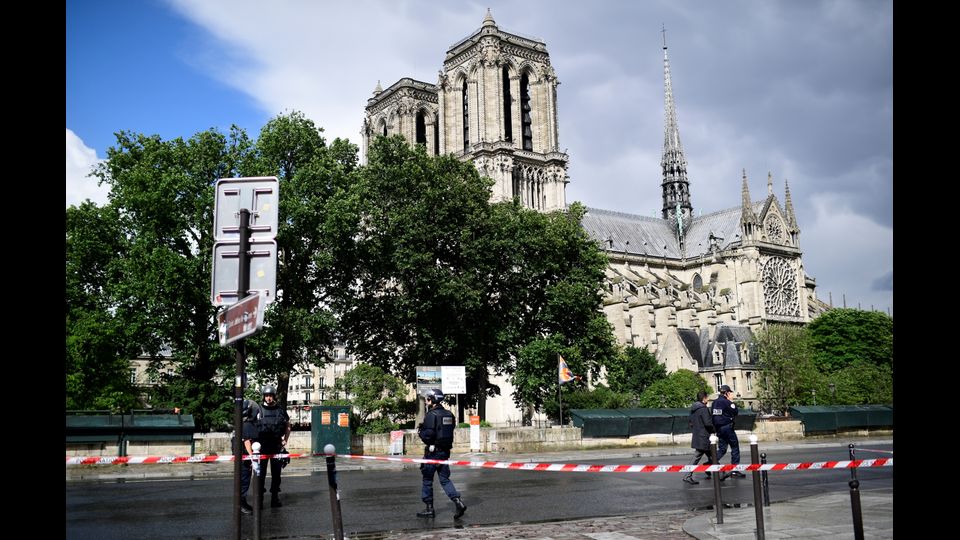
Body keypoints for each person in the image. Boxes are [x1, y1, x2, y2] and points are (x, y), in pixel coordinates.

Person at [415, 388, 467, 519]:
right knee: (444, 479)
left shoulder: (431, 415)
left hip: (432, 453)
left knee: (427, 480)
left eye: (427, 399)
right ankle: (458, 502)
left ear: (432, 400)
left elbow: (428, 436)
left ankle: (429, 509)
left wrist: (420, 431)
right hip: (444, 452)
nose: (426, 402)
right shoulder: (449, 414)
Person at [255, 385, 292, 508]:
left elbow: (287, 425)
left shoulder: (280, 410)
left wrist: (285, 440)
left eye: (270, 395)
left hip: (276, 446)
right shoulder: (258, 410)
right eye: (266, 395)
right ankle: (259, 500)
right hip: (262, 447)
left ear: (274, 396)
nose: (268, 398)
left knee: (276, 475)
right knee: (261, 475)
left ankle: (274, 498)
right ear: (263, 396)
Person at [712, 384, 746, 480]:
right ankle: (734, 470)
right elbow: (735, 411)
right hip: (727, 427)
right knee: (734, 447)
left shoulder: (714, 402)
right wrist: (731, 401)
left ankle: (711, 463)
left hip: (719, 429)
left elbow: (714, 415)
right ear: (726, 393)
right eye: (730, 392)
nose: (731, 394)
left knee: (722, 449)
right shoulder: (726, 402)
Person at [682, 390, 715, 485]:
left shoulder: (693, 409)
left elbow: (690, 422)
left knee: (712, 456)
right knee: (698, 456)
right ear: (704, 398)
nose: (708, 399)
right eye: (707, 397)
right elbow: (708, 423)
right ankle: (687, 475)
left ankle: (721, 473)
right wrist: (714, 430)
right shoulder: (703, 409)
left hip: (698, 435)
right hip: (704, 436)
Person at [238, 399, 260, 515]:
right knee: (244, 480)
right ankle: (241, 504)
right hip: (245, 458)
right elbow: (247, 441)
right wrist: (252, 457)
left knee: (243, 480)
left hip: (242, 457)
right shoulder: (247, 424)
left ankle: (242, 502)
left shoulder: (243, 423)